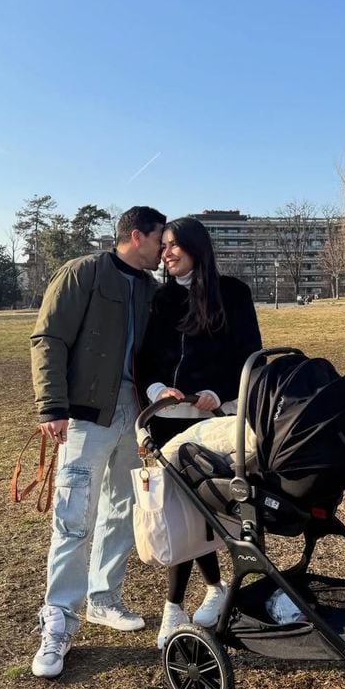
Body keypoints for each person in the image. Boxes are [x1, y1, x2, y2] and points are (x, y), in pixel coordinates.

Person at [30, 206, 167, 678]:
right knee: (73, 518)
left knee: (124, 509)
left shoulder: (151, 289)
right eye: (158, 241)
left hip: (136, 415)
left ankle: (103, 598)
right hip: (85, 416)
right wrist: (52, 406)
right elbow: (48, 337)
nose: (163, 251)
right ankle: (59, 621)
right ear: (136, 236)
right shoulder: (82, 273)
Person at [136, 216, 262, 648]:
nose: (165, 253)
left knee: (210, 511)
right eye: (163, 246)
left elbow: (250, 358)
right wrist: (158, 390)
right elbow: (146, 361)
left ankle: (216, 591)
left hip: (213, 422)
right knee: (179, 513)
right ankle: (176, 606)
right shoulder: (160, 300)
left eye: (174, 245)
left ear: (196, 247)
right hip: (167, 421)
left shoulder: (234, 294)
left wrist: (215, 393)